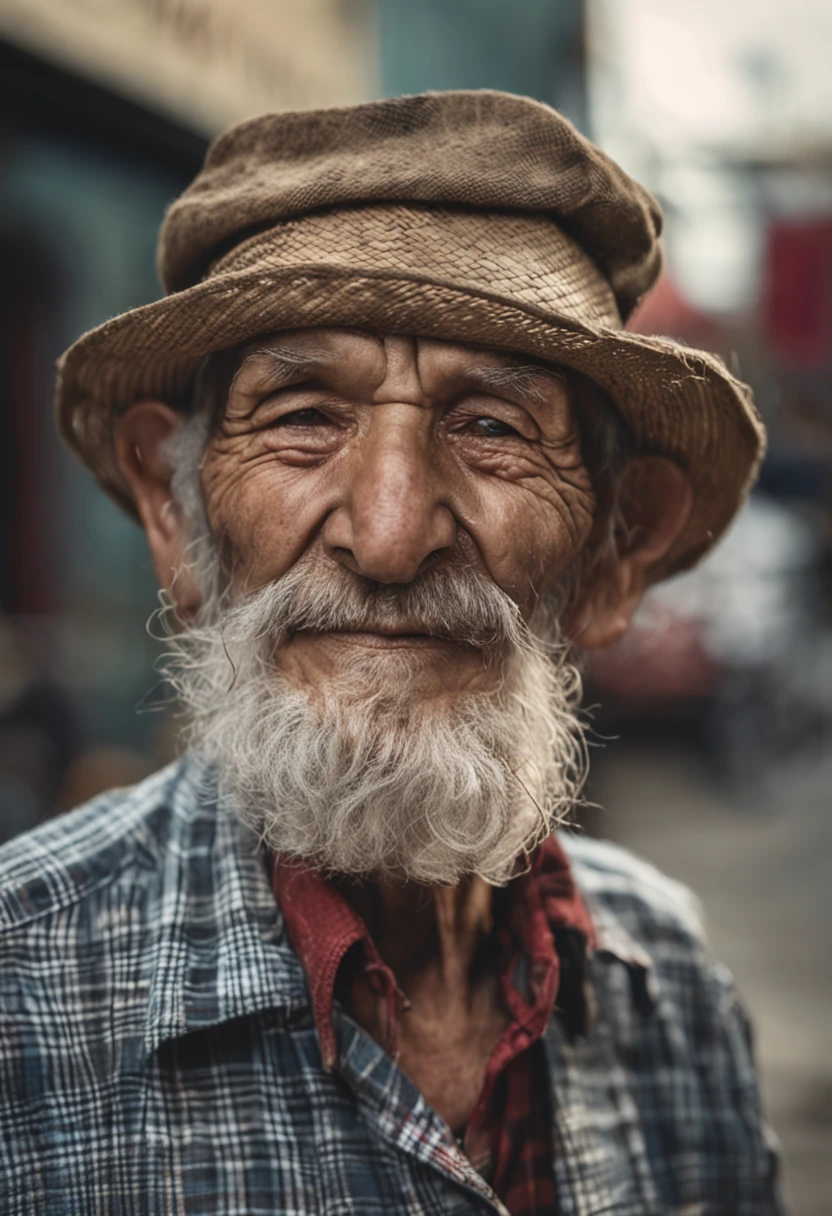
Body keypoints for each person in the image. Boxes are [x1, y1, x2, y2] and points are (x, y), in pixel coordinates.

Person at [0, 91, 783, 1214]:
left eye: (492, 427)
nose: (389, 531)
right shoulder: (16, 997)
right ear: (176, 516)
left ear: (613, 549)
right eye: (303, 415)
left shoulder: (670, 984)